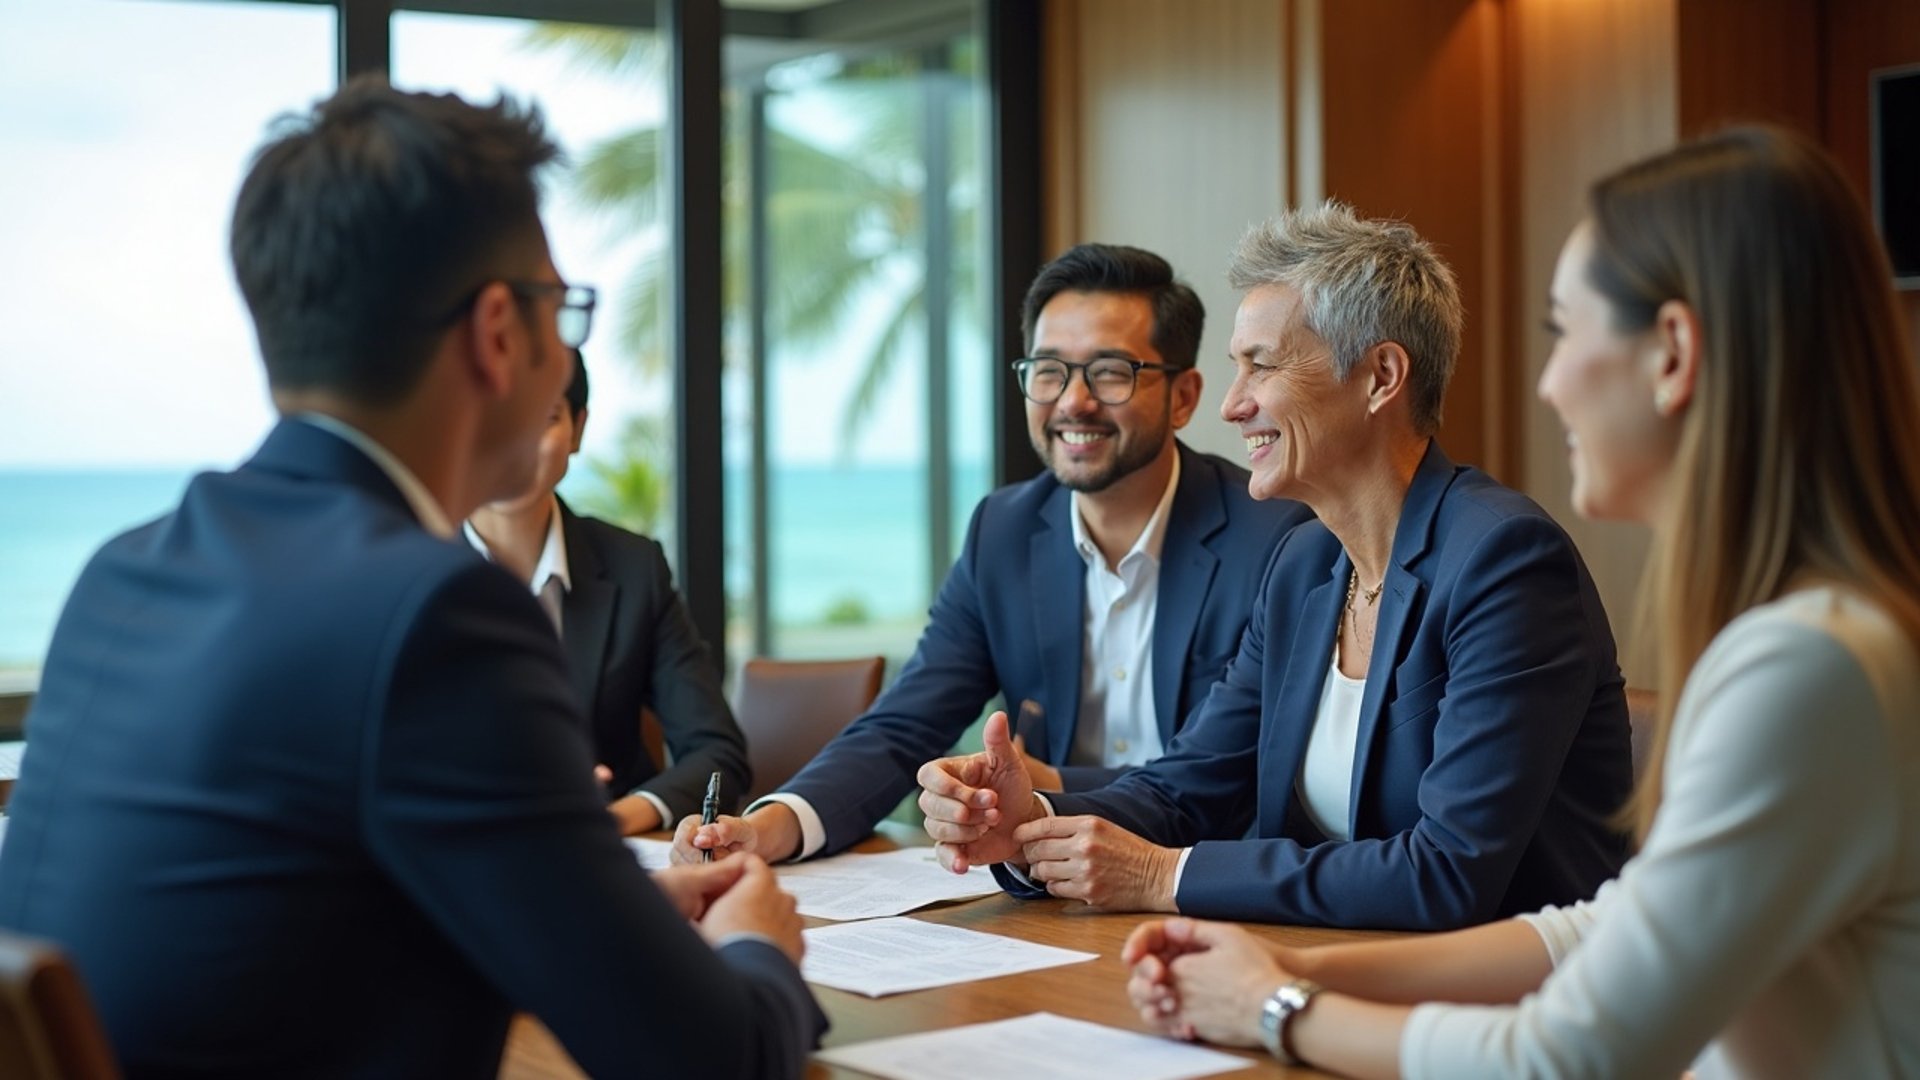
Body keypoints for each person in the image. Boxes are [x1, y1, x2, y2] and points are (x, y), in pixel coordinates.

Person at [0, 79, 823, 1078]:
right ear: (498, 333)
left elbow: (291, 929)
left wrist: (603, 916)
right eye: (561, 309)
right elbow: (711, 1060)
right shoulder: (437, 616)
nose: (567, 346)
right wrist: (756, 949)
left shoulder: (120, 575)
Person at [1122, 126, 1920, 1078]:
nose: (1545, 384)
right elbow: (1607, 926)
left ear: (1671, 353)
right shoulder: (1814, 638)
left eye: (1563, 330)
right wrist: (1296, 964)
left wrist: (1275, 1007)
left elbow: (1567, 1055)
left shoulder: (1808, 667)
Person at [918, 204, 1631, 930]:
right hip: (1327, 967)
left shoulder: (1505, 562)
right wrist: (1029, 821)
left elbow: (1445, 873)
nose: (1231, 405)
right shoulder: (1304, 561)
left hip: (1507, 1006)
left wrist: (1168, 875)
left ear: (1381, 376)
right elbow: (1191, 787)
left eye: (1262, 365)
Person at [674, 244, 1313, 865]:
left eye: (1111, 372)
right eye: (1049, 370)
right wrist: (771, 826)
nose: (1072, 401)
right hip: (1047, 888)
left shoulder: (1277, 536)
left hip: (1205, 888)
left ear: (1183, 396)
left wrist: (1049, 785)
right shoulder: (1002, 532)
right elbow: (903, 726)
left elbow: (1237, 767)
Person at [467, 349, 750, 835]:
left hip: (608, 864)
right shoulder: (401, 565)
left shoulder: (634, 568)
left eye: (544, 416)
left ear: (576, 430)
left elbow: (717, 754)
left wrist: (607, 821)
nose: (517, 440)